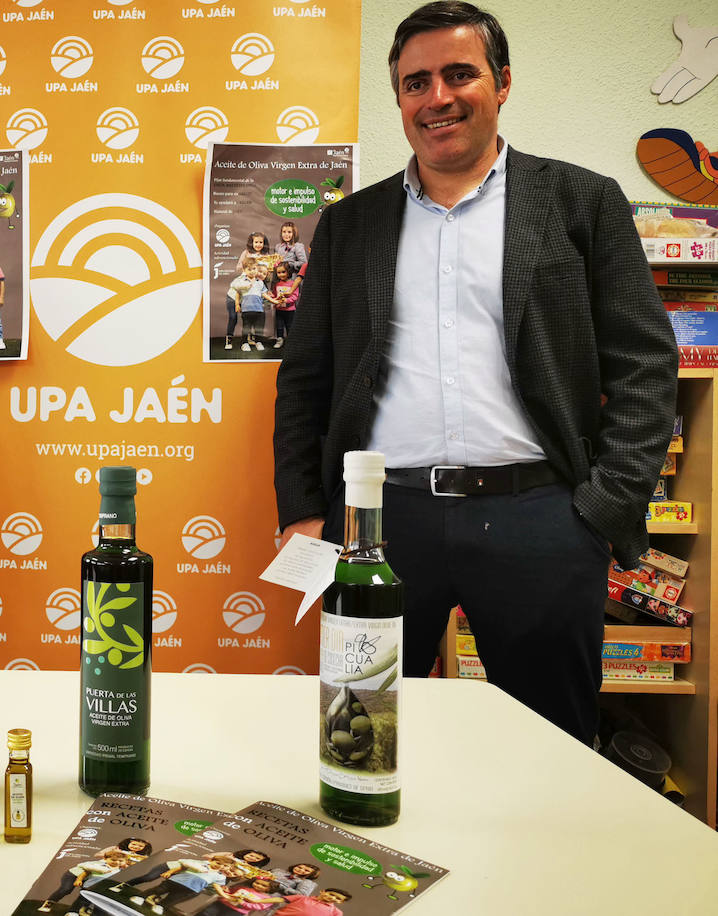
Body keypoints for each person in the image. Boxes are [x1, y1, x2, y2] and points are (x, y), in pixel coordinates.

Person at [272, 1, 678, 745]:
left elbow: (646, 362)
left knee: (550, 750)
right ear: (399, 98)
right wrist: (304, 513)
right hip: (380, 527)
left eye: (459, 74)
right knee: (359, 739)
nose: (438, 98)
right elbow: (306, 379)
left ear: (502, 83)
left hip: (543, 520)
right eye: (415, 82)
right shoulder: (350, 224)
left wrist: (601, 509)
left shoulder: (579, 202)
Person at [228, 262, 269, 352]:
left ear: (256, 269)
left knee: (259, 327)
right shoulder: (243, 281)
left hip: (259, 309)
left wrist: (274, 300)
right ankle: (244, 343)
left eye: (254, 269)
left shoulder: (260, 282)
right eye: (249, 269)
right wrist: (237, 304)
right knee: (246, 327)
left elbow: (265, 294)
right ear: (244, 271)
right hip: (246, 309)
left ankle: (258, 342)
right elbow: (238, 293)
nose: (251, 271)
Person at [267, 261, 301, 349]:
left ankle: (291, 342)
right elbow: (275, 295)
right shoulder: (277, 284)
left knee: (290, 326)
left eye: (283, 272)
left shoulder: (293, 284)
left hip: (290, 310)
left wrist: (287, 300)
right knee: (279, 326)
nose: (281, 274)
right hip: (279, 310)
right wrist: (272, 296)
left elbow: (295, 297)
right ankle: (279, 340)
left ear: (288, 272)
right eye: (279, 272)